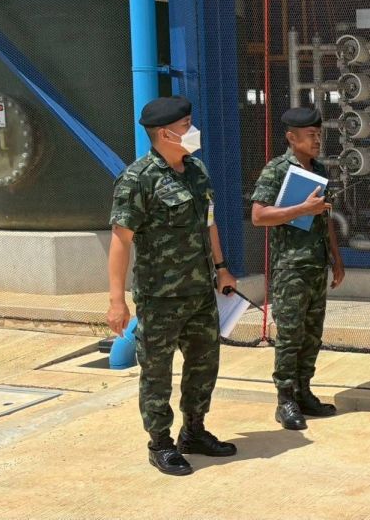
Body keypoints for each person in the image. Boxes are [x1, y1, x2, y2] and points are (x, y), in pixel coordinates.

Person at [106, 95, 238, 476]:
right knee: (157, 373)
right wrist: (116, 301)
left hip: (200, 293)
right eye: (186, 126)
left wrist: (222, 269)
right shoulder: (138, 179)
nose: (193, 131)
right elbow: (120, 240)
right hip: (160, 298)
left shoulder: (196, 170)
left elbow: (209, 222)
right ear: (165, 133)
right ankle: (160, 443)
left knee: (203, 365)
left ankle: (194, 431)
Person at [251, 107, 345, 431]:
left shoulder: (318, 169)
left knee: (311, 335)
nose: (317, 140)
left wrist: (336, 258)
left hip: (316, 265)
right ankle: (285, 400)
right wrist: (301, 209)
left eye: (319, 134)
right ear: (291, 138)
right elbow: (259, 216)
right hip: (290, 267)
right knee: (290, 335)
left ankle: (304, 392)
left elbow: (324, 216)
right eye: (310, 135)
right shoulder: (276, 170)